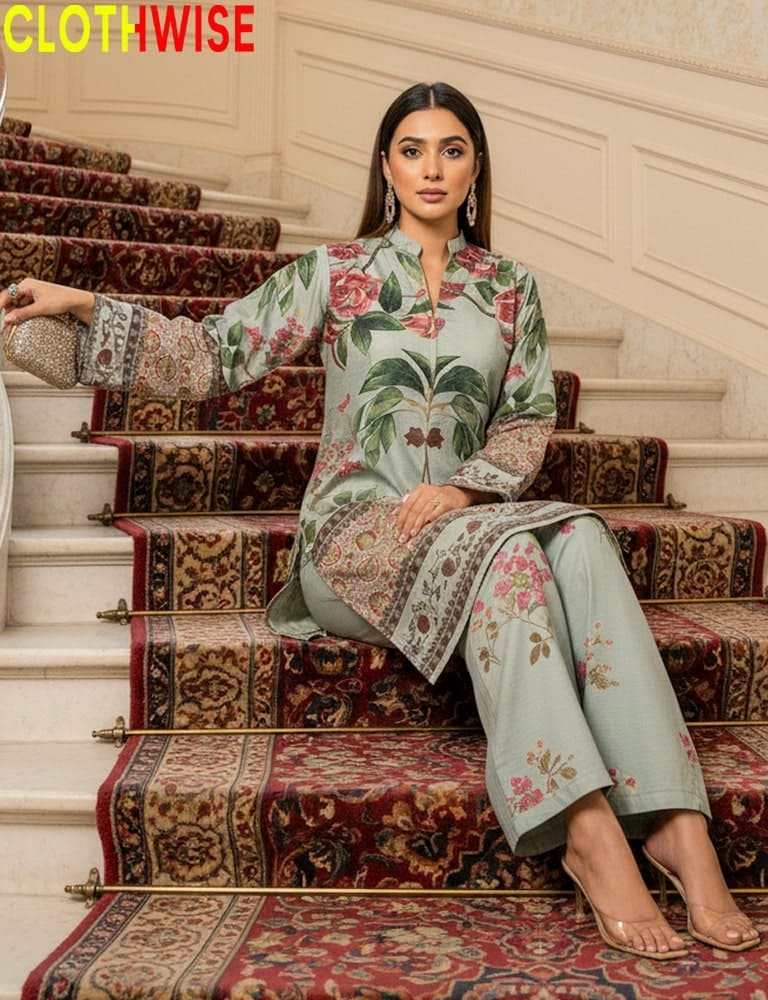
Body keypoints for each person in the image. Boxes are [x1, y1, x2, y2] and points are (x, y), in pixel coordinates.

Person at [1, 82, 759, 959]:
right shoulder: (337, 273)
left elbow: (525, 421)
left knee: (580, 538)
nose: (431, 167)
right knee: (515, 559)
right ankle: (586, 826)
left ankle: (675, 822)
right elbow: (211, 354)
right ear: (386, 167)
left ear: (475, 168)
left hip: (470, 526)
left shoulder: (510, 288)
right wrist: (87, 306)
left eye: (451, 150)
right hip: (357, 541)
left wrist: (465, 491)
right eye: (411, 149)